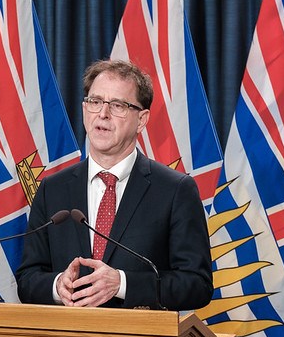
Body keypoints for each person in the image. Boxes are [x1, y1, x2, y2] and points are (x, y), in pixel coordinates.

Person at [15, 59, 212, 311]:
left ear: (141, 120)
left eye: (117, 105)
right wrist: (57, 286)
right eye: (95, 101)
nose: (103, 114)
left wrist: (121, 283)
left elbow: (197, 284)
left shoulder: (175, 190)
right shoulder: (52, 190)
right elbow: (28, 279)